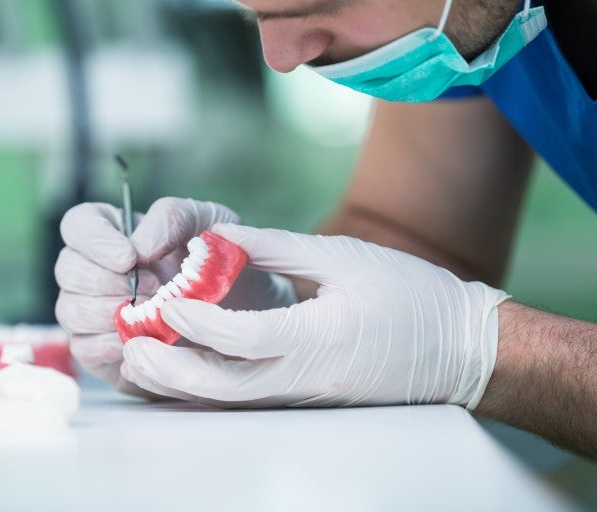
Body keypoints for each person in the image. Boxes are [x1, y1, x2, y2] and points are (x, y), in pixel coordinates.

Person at [55, 0, 597, 459]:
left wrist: (486, 351)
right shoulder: (463, 25)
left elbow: (448, 330)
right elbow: (420, 237)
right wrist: (262, 312)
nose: (281, 58)